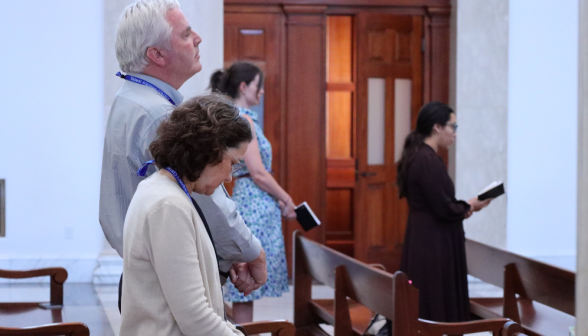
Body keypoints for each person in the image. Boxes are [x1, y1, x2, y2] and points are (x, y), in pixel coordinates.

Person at [99, 0, 266, 312]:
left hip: (151, 273)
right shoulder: (158, 114)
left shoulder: (131, 98)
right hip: (170, 283)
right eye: (186, 34)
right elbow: (205, 195)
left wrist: (227, 255)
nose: (198, 38)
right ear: (157, 54)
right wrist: (250, 250)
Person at [120, 93, 250, 336]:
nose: (230, 176)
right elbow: (195, 318)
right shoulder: (168, 205)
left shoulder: (160, 189)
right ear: (210, 150)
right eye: (232, 163)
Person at [210, 62, 295, 323]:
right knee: (246, 286)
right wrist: (286, 198)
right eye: (259, 86)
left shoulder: (237, 116)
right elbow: (258, 172)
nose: (262, 92)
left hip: (249, 200)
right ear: (244, 87)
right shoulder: (243, 119)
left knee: (245, 288)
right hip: (253, 203)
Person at [396, 101, 491, 322]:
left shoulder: (417, 155)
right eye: (453, 127)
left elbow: (439, 204)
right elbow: (443, 208)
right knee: (433, 298)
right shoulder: (427, 160)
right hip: (433, 242)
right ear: (437, 127)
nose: (455, 133)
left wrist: (465, 208)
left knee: (425, 295)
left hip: (424, 235)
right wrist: (470, 205)